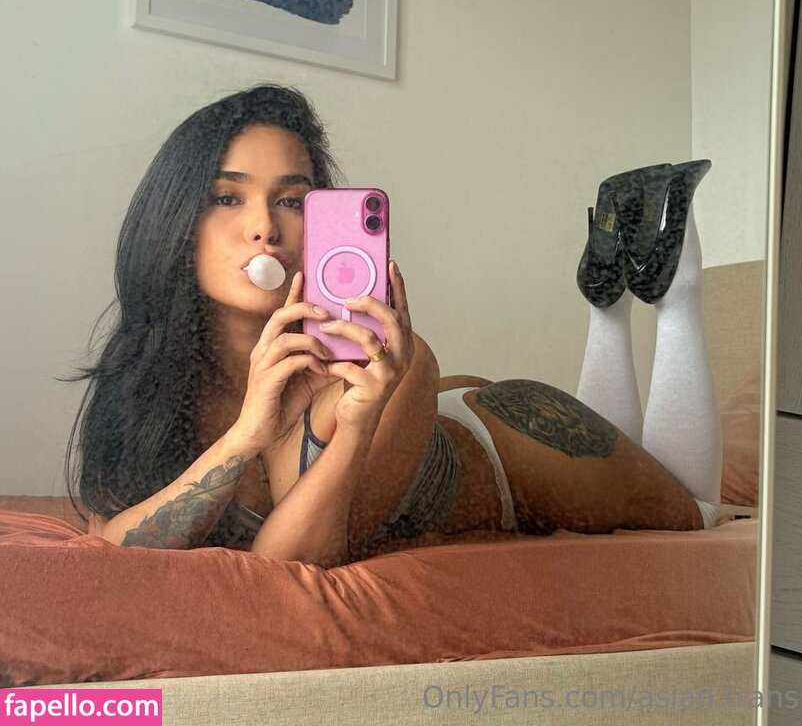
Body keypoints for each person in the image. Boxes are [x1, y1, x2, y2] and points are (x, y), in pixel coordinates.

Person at [64, 84, 721, 566]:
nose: (263, 226)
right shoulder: (145, 379)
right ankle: (607, 290)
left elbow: (288, 564)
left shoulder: (378, 363)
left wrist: (352, 423)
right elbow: (111, 539)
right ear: (175, 217)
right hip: (434, 416)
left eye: (291, 199)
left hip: (512, 454)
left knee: (698, 510)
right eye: (227, 196)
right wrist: (246, 436)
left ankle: (668, 285)